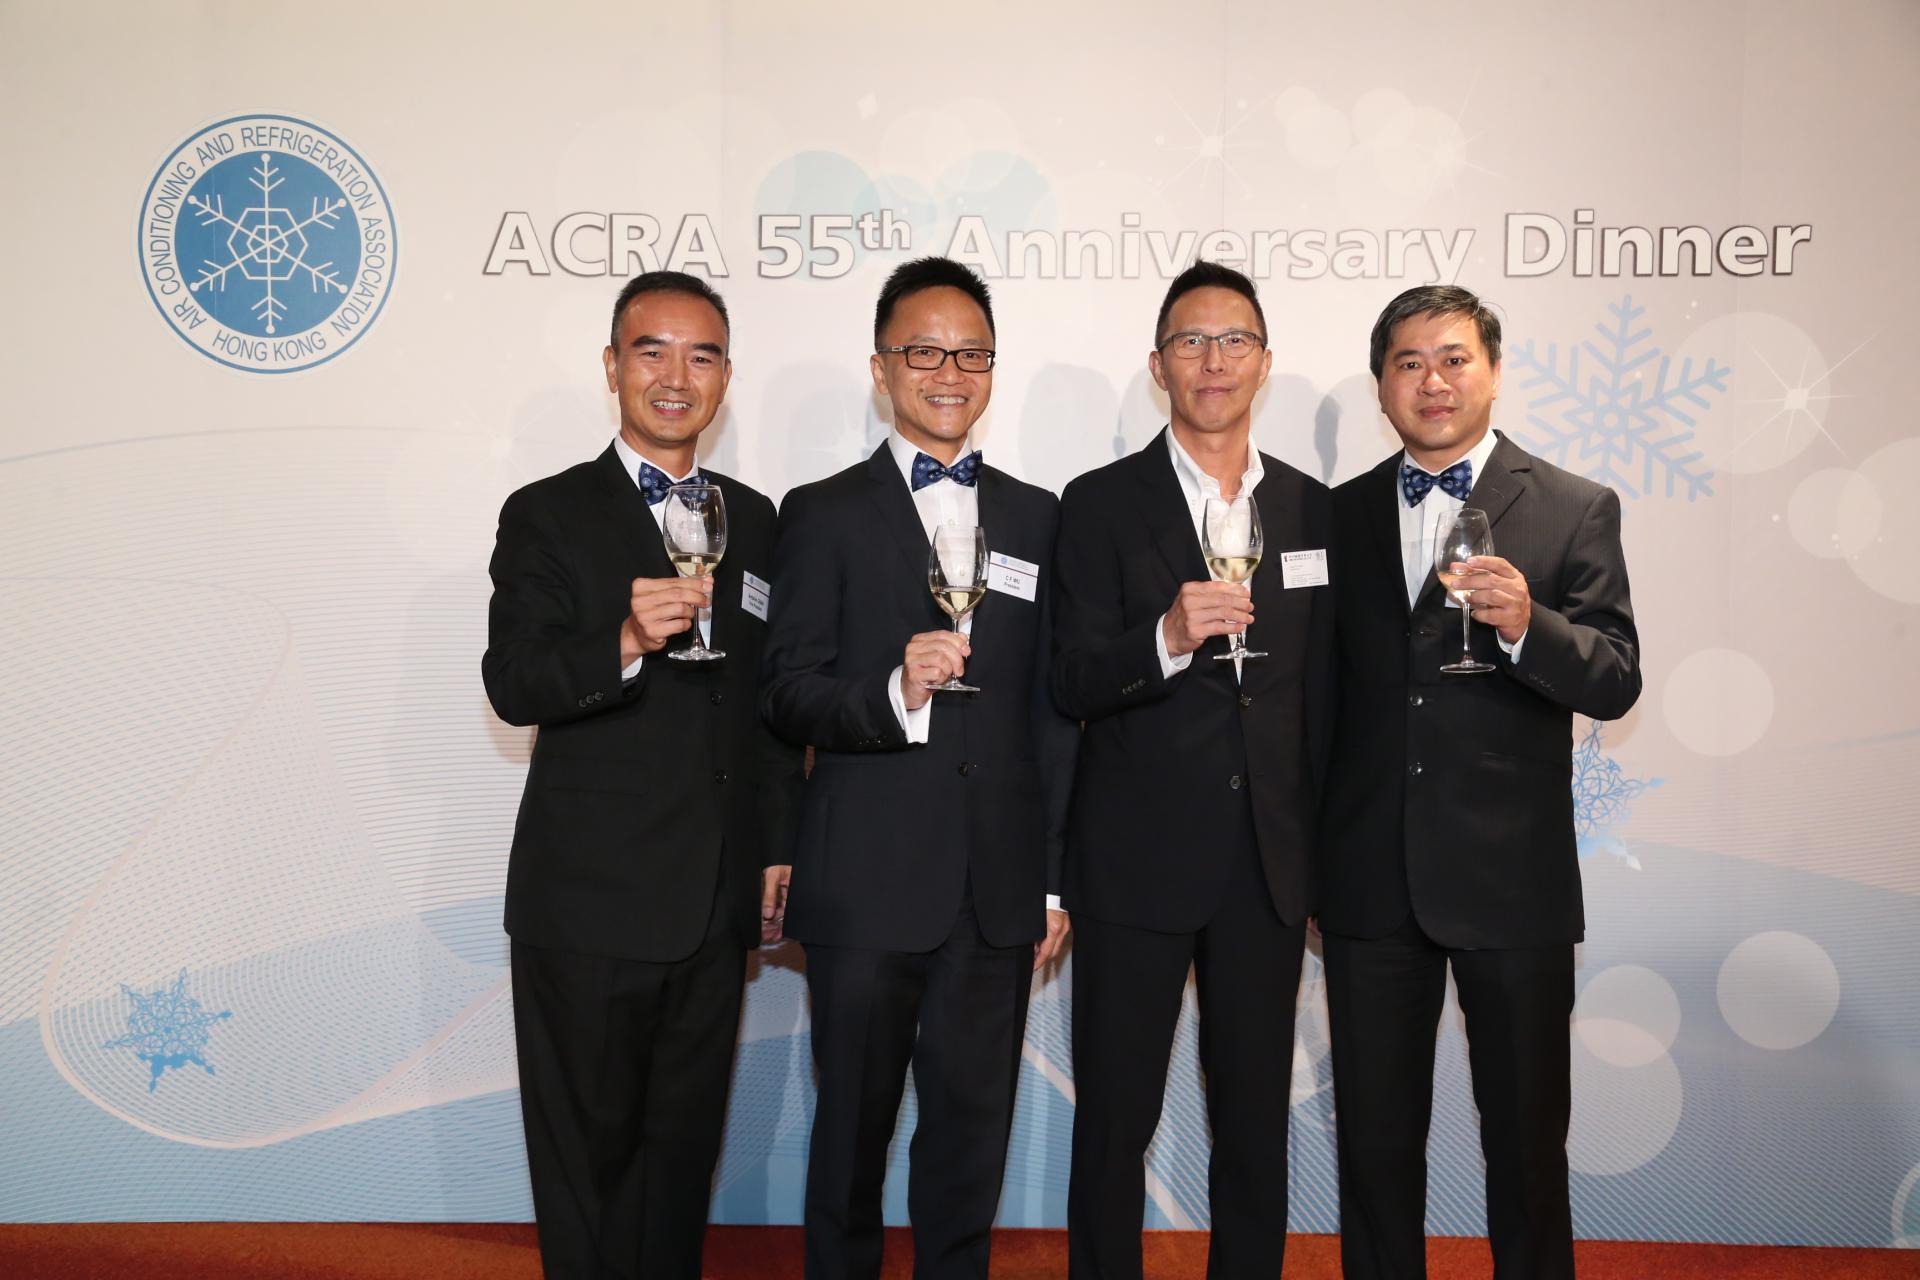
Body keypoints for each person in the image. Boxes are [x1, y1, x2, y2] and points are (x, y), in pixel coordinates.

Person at [760, 256, 1077, 1280]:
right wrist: (895, 692)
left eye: (971, 354)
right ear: (881, 368)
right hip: (865, 881)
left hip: (997, 888)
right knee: (849, 1142)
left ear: (992, 369)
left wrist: (1051, 880)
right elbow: (788, 691)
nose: (949, 372)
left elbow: (1054, 713)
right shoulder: (821, 511)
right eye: (925, 351)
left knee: (969, 1147)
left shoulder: (1039, 515)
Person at [1318, 284, 1642, 1279]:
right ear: (1382, 385)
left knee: (1528, 1148)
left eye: (1454, 358)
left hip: (1514, 883)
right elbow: (1314, 700)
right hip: (1369, 880)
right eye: (1409, 362)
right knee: (1374, 1150)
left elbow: (1615, 676)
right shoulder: (1333, 515)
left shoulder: (1575, 505)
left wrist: (1528, 626)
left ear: (1493, 372)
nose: (1434, 380)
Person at [482, 270, 800, 1280]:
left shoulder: (757, 520)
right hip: (589, 903)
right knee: (587, 1166)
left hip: (713, 905)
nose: (675, 375)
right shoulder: (549, 512)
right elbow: (513, 681)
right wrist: (622, 637)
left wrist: (777, 849)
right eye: (651, 351)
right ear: (613, 366)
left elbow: (765, 708)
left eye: (701, 355)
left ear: (726, 377)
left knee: (679, 1161)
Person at [1051, 260, 1334, 1279]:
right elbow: (1069, 680)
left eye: (1233, 340)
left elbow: (1326, 699)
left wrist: (1321, 859)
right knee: (1114, 1115)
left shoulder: (1313, 510)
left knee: (1254, 1116)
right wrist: (1165, 638)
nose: (1213, 360)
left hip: (1267, 866)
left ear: (1265, 361)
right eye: (1191, 341)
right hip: (1134, 864)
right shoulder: (1098, 503)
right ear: (1159, 365)